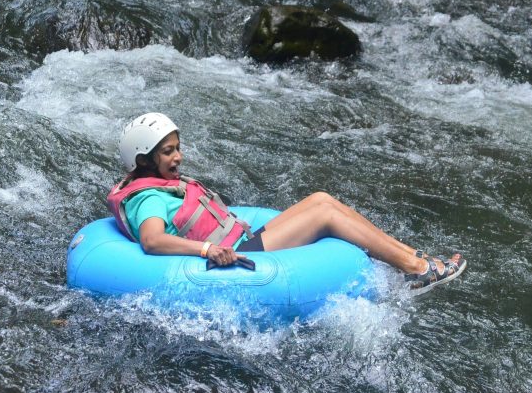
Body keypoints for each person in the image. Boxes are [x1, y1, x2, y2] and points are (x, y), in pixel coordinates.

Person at [106, 112, 466, 294]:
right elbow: (152, 240)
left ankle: (416, 259)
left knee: (321, 198)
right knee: (324, 213)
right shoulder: (149, 196)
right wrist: (206, 249)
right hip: (235, 255)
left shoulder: (159, 183)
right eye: (168, 152)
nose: (179, 157)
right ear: (142, 161)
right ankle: (418, 271)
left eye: (177, 148)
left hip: (240, 240)